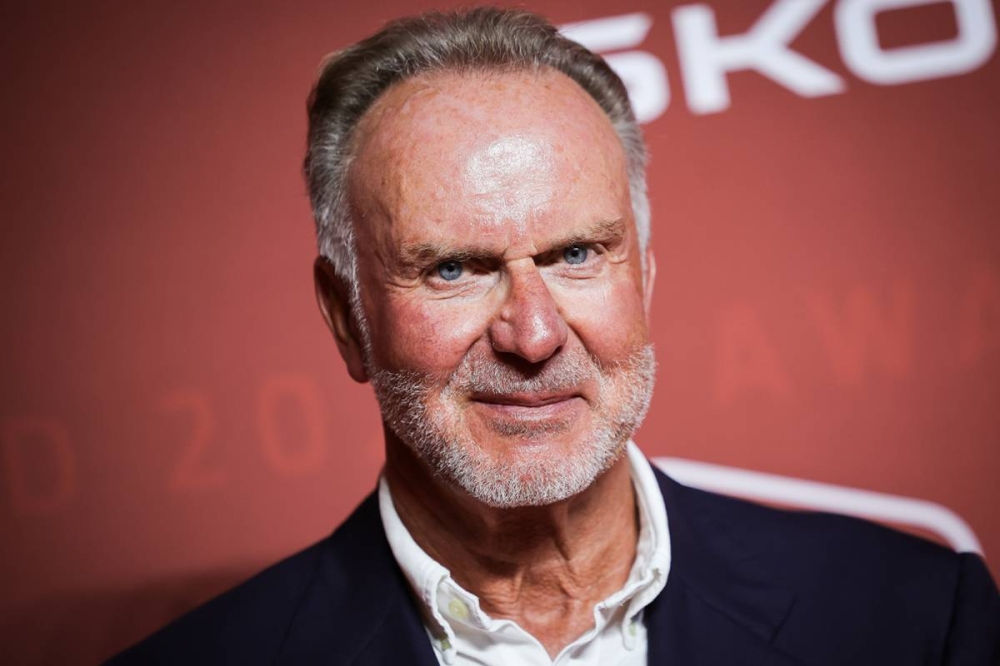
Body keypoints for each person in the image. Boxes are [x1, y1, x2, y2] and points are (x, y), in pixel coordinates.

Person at [109, 7, 999, 665]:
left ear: (643, 278)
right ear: (347, 317)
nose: (533, 335)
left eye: (577, 254)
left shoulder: (919, 617)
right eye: (453, 268)